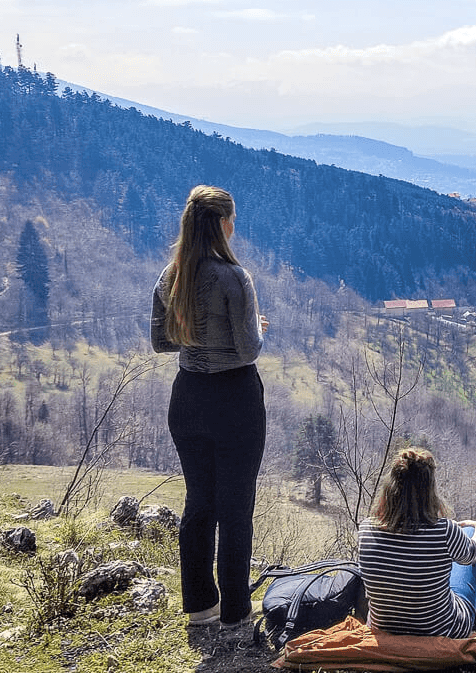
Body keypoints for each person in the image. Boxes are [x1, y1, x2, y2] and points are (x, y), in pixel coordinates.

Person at [151, 185, 269, 627]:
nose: (234, 227)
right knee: (236, 505)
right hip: (233, 398)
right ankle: (236, 612)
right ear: (222, 224)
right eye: (232, 220)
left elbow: (161, 342)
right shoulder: (234, 278)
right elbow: (247, 351)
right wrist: (258, 327)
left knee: (199, 503)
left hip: (187, 398)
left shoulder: (170, 275)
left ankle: (200, 606)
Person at [357, 447, 476, 637]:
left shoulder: (366, 529)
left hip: (382, 629)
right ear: (429, 490)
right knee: (468, 534)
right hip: (442, 630)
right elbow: (475, 553)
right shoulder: (444, 530)